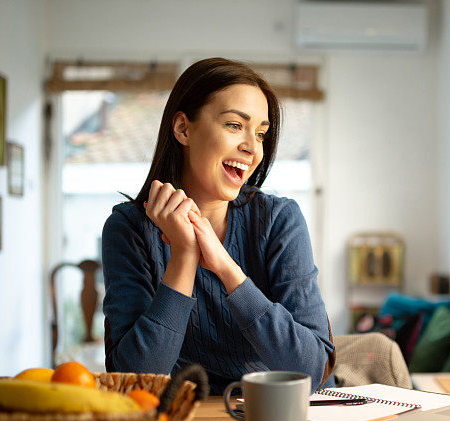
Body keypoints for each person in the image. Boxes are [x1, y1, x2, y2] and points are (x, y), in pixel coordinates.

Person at [101, 58, 335, 395]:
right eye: (234, 125)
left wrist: (227, 270)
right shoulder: (128, 229)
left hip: (284, 415)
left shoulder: (280, 220)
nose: (252, 148)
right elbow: (136, 382)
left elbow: (313, 370)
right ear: (183, 129)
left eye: (261, 133)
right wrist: (183, 256)